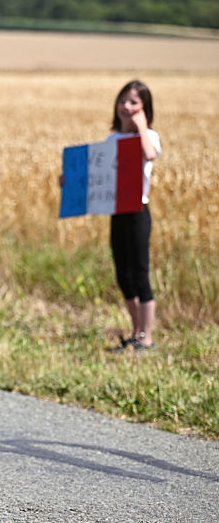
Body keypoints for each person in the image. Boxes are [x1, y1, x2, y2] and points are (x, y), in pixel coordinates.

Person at [107, 80, 160, 351]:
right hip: (117, 212)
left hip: (138, 212)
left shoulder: (150, 137)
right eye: (123, 101)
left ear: (145, 108)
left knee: (140, 272)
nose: (127, 107)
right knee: (123, 274)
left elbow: (150, 155)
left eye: (134, 102)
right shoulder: (112, 139)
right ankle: (136, 331)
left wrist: (140, 128)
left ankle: (146, 337)